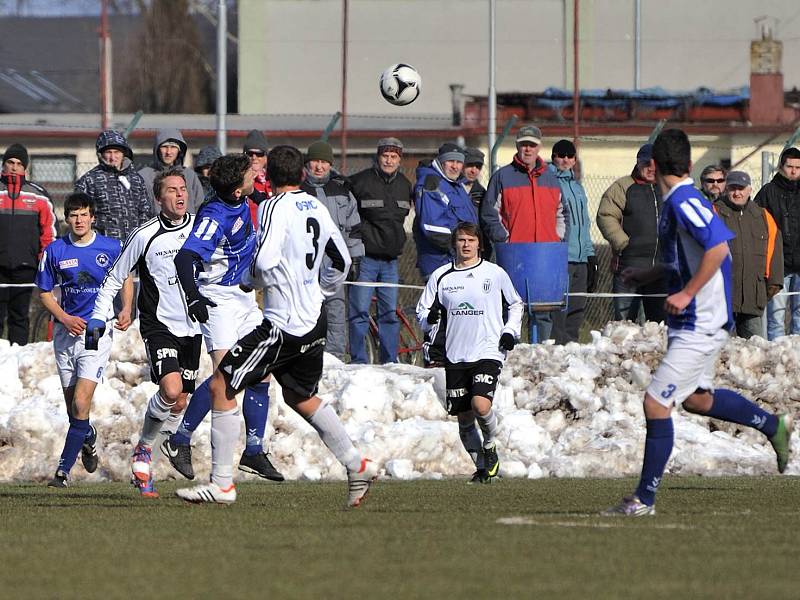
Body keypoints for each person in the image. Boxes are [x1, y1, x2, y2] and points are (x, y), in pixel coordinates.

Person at [602, 129, 793, 517]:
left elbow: (718, 248)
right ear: (689, 165)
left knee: (656, 404)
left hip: (698, 322)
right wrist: (651, 275)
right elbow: (688, 257)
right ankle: (773, 426)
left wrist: (687, 293)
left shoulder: (682, 201)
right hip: (699, 320)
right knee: (697, 399)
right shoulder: (682, 200)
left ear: (652, 166)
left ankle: (644, 499)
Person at [175, 145, 378, 506]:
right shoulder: (316, 203)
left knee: (222, 383)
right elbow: (342, 257)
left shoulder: (271, 206)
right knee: (300, 395)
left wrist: (251, 282)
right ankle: (356, 463)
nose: (256, 175)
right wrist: (322, 290)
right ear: (301, 174)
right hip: (314, 320)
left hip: (282, 326)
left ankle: (222, 484)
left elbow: (265, 259)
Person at [163, 154, 283, 483]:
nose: (254, 174)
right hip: (217, 298)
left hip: (243, 298)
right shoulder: (214, 216)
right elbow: (185, 256)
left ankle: (255, 450)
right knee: (225, 379)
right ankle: (179, 439)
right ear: (235, 190)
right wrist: (194, 297)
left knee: (260, 372)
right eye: (249, 172)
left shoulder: (241, 197)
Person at [86, 169, 202, 497]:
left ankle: (152, 448)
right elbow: (113, 277)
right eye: (172, 190)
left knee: (180, 401)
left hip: (193, 327)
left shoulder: (200, 229)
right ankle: (145, 450)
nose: (180, 195)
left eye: (183, 189)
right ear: (158, 198)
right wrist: (97, 316)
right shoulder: (144, 235)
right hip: (159, 324)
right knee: (170, 386)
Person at [36, 192, 133, 487]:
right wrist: (64, 318)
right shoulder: (55, 251)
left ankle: (62, 472)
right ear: (68, 218)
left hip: (96, 332)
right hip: (66, 335)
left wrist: (126, 307)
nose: (79, 220)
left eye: (84, 215)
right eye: (74, 215)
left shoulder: (111, 247)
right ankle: (87, 436)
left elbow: (125, 278)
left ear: (93, 217)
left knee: (81, 402)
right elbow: (44, 292)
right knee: (74, 410)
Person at [416, 222, 523, 483]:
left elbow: (516, 303)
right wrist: (429, 319)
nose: (466, 245)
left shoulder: (494, 273)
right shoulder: (441, 276)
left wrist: (510, 331)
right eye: (461, 240)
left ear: (479, 244)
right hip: (454, 355)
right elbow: (422, 314)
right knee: (464, 417)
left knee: (480, 404)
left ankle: (490, 443)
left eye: (471, 240)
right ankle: (483, 468)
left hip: (488, 350)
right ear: (454, 244)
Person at [481, 125, 568, 341]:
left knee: (544, 313)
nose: (527, 149)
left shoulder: (551, 179)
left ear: (539, 148)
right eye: (523, 145)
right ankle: (511, 355)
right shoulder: (502, 177)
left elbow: (562, 214)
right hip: (514, 258)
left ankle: (540, 358)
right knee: (512, 311)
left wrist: (556, 240)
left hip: (545, 258)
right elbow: (489, 213)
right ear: (517, 146)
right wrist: (505, 239)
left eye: (532, 145)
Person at [348, 137, 412, 364]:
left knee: (389, 315)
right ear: (378, 157)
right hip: (365, 260)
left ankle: (390, 361)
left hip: (391, 262)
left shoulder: (405, 185)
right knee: (359, 313)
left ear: (399, 160)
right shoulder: (360, 182)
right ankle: (358, 361)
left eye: (394, 157)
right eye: (385, 156)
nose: (389, 160)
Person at [300, 140, 365, 361]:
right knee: (309, 310)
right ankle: (309, 355)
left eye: (324, 162)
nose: (319, 167)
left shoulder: (342, 191)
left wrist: (355, 259)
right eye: (315, 161)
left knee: (336, 309)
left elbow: (353, 227)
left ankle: (335, 356)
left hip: (335, 261)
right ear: (307, 164)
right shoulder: (299, 192)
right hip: (306, 263)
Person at [596, 143, 666, 324]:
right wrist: (622, 243)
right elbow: (606, 215)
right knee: (624, 324)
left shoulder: (668, 187)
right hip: (629, 267)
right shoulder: (622, 186)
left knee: (660, 325)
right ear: (637, 163)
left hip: (661, 269)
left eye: (655, 163)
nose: (651, 168)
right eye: (646, 163)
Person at [713, 171, 783, 339]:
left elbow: (775, 252)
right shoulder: (713, 213)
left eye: (741, 188)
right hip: (721, 300)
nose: (737, 193)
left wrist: (772, 285)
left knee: (754, 352)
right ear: (726, 190)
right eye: (732, 188)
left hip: (753, 297)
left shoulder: (763, 216)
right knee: (719, 352)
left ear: (750, 189)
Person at [0, 143, 57, 346]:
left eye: (19, 164)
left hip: (26, 268)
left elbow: (49, 232)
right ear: (3, 165)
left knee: (19, 317)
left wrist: (44, 260)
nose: (14, 167)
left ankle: (18, 359)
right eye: (10, 162)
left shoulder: (38, 195)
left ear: (25, 168)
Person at [548, 139, 596, 344]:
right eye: (561, 155)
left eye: (570, 156)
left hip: (580, 258)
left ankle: (571, 354)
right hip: (560, 256)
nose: (565, 160)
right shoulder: (549, 183)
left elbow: (584, 224)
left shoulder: (578, 188)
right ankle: (555, 352)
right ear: (553, 157)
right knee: (558, 311)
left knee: (576, 309)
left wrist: (590, 254)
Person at [413, 142, 477, 280]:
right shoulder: (431, 183)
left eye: (459, 162)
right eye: (450, 161)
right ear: (441, 162)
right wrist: (461, 249)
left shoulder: (456, 186)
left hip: (460, 261)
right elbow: (433, 228)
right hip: (440, 263)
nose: (455, 166)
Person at [75, 130, 152, 243]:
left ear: (124, 154)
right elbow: (80, 214)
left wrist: (142, 237)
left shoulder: (136, 179)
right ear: (101, 154)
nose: (113, 157)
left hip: (134, 244)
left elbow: (145, 210)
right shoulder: (89, 180)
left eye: (117, 152)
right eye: (108, 152)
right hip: (103, 245)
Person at [755, 147, 800, 339]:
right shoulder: (768, 192)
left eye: (798, 167)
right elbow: (756, 224)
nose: (793, 171)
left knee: (799, 317)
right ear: (781, 166)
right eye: (789, 166)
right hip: (777, 263)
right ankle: (776, 357)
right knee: (776, 317)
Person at [138, 129, 205, 213]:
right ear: (157, 149)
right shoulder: (144, 176)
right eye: (164, 147)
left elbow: (200, 207)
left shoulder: (190, 176)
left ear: (179, 151)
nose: (168, 152)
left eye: (173, 147)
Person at [461, 147, 492, 260]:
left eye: (478, 167)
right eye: (470, 165)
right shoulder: (451, 190)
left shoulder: (482, 193)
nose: (474, 170)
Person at [243, 129, 272, 225]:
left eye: (259, 154)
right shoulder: (240, 181)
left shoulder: (274, 180)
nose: (254, 158)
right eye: (250, 154)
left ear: (266, 157)